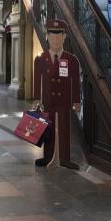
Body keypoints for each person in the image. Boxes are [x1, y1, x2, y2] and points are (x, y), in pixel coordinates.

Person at [33, 19, 81, 170]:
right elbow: (37, 80)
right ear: (47, 37)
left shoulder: (71, 60)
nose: (55, 40)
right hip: (48, 101)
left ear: (64, 37)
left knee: (64, 129)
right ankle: (48, 157)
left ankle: (65, 159)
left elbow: (76, 82)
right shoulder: (41, 59)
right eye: (52, 36)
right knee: (48, 128)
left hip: (64, 100)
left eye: (58, 36)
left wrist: (76, 101)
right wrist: (36, 99)